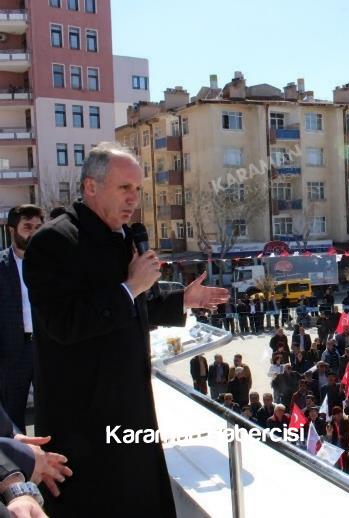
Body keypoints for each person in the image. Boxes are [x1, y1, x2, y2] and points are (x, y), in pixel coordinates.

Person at [22, 142, 230, 517]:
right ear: (90, 187)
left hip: (131, 413)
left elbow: (131, 307)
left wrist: (182, 300)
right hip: (85, 426)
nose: (134, 199)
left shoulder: (120, 238)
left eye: (138, 189)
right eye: (124, 188)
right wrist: (132, 287)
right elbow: (65, 324)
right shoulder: (54, 241)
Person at [0, 204, 43, 430]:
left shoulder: (51, 266)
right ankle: (18, 462)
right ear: (11, 230)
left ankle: (52, 460)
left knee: (51, 409)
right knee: (12, 414)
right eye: (27, 227)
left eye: (38, 227)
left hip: (45, 347)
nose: (34, 232)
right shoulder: (1, 266)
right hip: (12, 352)